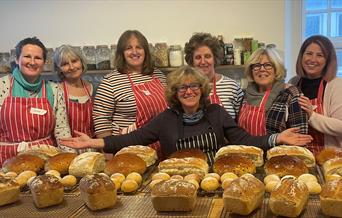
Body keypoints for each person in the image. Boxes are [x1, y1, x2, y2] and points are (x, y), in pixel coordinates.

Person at [60, 66, 312, 165]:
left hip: (213, 178)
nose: (189, 91)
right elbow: (130, 139)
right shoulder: (165, 119)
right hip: (177, 178)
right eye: (183, 87)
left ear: (202, 90)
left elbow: (243, 139)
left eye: (194, 86)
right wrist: (93, 142)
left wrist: (277, 138)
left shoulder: (216, 112)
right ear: (175, 92)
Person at [92, 30, 167, 158]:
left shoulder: (158, 75)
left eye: (139, 47)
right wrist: (109, 155)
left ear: (145, 51)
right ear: (122, 53)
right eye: (128, 48)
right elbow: (101, 120)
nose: (134, 52)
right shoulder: (110, 81)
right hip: (127, 149)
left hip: (160, 146)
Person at [0, 37, 72, 166]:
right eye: (27, 56)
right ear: (17, 59)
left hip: (45, 161)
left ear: (44, 62)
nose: (32, 62)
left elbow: (62, 132)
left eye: (38, 58)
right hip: (6, 161)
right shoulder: (2, 86)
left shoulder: (54, 90)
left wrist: (70, 161)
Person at [289, 35, 342, 154]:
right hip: (299, 154)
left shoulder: (336, 85)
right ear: (301, 56)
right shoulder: (293, 82)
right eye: (309, 53)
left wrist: (312, 116)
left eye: (320, 55)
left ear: (328, 60)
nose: (312, 59)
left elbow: (340, 126)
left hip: (329, 156)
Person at [238, 47, 308, 137]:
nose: (262, 69)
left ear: (276, 69)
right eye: (256, 66)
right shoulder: (245, 95)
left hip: (279, 151)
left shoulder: (291, 94)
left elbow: (300, 137)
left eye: (268, 65)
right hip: (246, 150)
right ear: (251, 71)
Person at [184, 32, 243, 120]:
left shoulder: (232, 87)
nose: (203, 62)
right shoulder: (185, 89)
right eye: (198, 57)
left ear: (215, 58)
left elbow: (241, 122)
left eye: (207, 56)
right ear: (191, 61)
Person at [53, 45, 96, 153]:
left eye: (74, 61)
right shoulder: (56, 91)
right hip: (67, 149)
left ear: (81, 62)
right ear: (59, 69)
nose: (71, 67)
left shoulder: (94, 88)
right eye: (65, 64)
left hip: (93, 147)